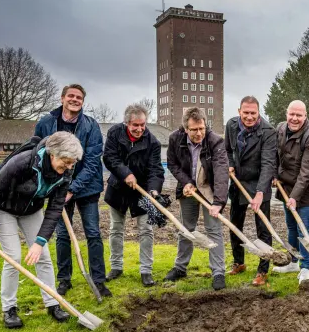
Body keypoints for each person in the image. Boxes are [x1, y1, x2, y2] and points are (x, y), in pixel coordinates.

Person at [0, 132, 83, 329]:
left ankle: (52, 303)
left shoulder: (66, 172)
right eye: (65, 162)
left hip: (32, 210)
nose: (68, 167)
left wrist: (39, 241)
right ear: (52, 154)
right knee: (13, 257)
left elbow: (54, 209)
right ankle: (9, 309)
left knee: (43, 256)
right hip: (5, 209)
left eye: (72, 163)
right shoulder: (23, 162)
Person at [34, 84, 109, 297]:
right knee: (62, 235)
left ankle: (99, 280)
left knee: (93, 233)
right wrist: (59, 187)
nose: (75, 100)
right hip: (57, 188)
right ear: (62, 98)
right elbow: (38, 151)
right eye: (71, 96)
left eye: (79, 97)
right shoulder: (47, 123)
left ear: (83, 102)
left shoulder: (91, 125)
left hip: (87, 188)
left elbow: (93, 162)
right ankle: (64, 279)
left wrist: (73, 188)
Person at [164, 107, 229, 290]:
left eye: (201, 128)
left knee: (214, 230)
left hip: (209, 189)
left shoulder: (215, 141)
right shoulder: (175, 139)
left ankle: (218, 272)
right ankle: (180, 267)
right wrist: (185, 182)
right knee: (186, 229)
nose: (199, 133)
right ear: (186, 128)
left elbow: (221, 172)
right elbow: (172, 164)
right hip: (188, 189)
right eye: (194, 129)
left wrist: (218, 202)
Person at [103, 104, 165, 287]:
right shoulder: (114, 133)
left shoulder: (152, 142)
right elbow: (109, 158)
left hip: (143, 189)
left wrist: (154, 191)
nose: (139, 129)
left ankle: (146, 270)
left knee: (146, 230)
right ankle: (116, 267)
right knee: (116, 229)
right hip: (118, 188)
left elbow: (156, 169)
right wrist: (126, 173)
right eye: (135, 125)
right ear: (126, 123)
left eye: (142, 125)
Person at [225, 96, 277, 286]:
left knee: (263, 229)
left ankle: (262, 271)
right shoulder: (231, 125)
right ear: (239, 111)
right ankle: (239, 262)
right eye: (245, 112)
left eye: (253, 113)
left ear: (258, 112)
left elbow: (268, 163)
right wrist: (230, 165)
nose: (249, 116)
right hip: (238, 181)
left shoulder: (268, 132)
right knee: (235, 225)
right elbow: (228, 149)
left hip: (259, 182)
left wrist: (260, 192)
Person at [273, 100, 309, 283]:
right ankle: (293, 261)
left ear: (305, 116)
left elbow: (307, 171)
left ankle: (306, 268)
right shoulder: (280, 128)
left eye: (299, 115)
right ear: (286, 114)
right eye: (291, 114)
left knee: (304, 229)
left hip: (307, 190)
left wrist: (295, 197)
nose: (294, 118)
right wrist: (274, 174)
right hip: (286, 187)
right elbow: (275, 154)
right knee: (292, 227)